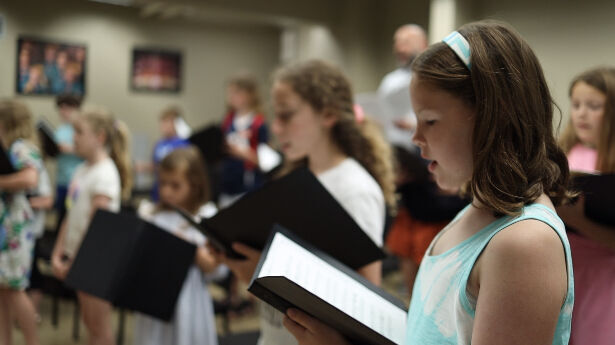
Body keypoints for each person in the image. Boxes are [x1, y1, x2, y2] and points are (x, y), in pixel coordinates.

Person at [282, 20, 575, 345]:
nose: (416, 137)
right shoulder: (476, 211)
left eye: (430, 121)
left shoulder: (525, 243)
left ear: (493, 117)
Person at [212, 60, 396, 345]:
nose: (277, 127)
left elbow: (364, 307)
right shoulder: (295, 174)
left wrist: (260, 278)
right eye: (276, 115)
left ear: (328, 114)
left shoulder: (354, 190)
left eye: (286, 115)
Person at [51, 107, 132, 345]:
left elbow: (97, 228)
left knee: (99, 328)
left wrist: (75, 262)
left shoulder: (105, 174)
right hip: (79, 258)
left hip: (96, 261)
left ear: (100, 137)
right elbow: (70, 214)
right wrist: (59, 253)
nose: (72, 137)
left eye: (78, 132)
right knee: (89, 322)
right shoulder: (82, 169)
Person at [133, 147, 223, 345]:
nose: (166, 191)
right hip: (155, 297)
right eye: (163, 183)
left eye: (175, 185)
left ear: (195, 185)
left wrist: (189, 249)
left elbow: (215, 268)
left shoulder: (205, 218)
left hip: (189, 299)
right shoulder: (152, 215)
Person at [556, 67, 615, 345]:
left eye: (594, 106)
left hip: (604, 279)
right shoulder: (563, 153)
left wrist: (577, 220)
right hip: (561, 270)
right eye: (576, 104)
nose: (581, 113)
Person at [0, 100, 43, 345]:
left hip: (14, 228)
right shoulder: (12, 148)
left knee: (15, 290)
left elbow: (29, 178)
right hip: (6, 228)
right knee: (3, 292)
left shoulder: (21, 148)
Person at [219, 73, 269, 208]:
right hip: (227, 183)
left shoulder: (258, 123)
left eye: (236, 93)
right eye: (230, 93)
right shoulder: (227, 121)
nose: (231, 97)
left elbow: (266, 162)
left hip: (247, 185)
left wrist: (241, 153)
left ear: (249, 94)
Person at [376, 24, 427, 151]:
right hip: (392, 148)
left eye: (406, 43)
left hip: (421, 149)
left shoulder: (434, 77)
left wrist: (413, 125)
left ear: (423, 45)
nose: (399, 48)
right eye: (397, 43)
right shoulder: (390, 80)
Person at [54, 94, 83, 232]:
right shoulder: (60, 130)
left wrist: (69, 149)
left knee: (73, 216)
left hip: (76, 181)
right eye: (61, 108)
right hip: (61, 180)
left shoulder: (80, 129)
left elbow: (86, 151)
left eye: (67, 108)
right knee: (61, 216)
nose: (63, 112)